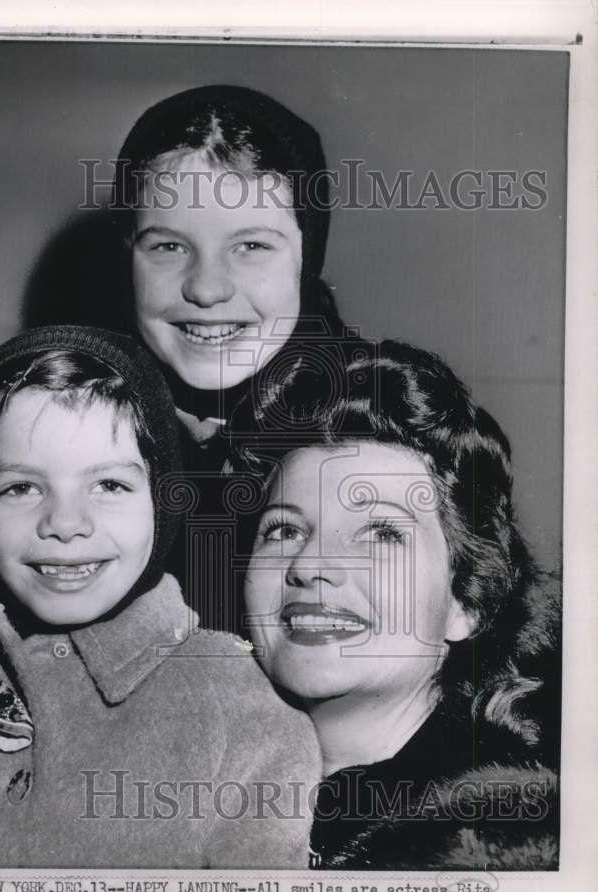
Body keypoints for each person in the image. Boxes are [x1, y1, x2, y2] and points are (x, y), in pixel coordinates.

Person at [0, 325, 321, 869]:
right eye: (20, 488)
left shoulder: (245, 716)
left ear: (163, 500)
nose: (65, 524)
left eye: (110, 486)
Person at [232, 339, 559, 869]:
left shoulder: (504, 837)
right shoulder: (194, 794)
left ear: (465, 602)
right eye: (285, 529)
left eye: (380, 533)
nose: (311, 564)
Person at [112, 84, 359, 629]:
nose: (205, 289)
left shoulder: (382, 428)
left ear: (307, 256)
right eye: (168, 246)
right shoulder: (86, 426)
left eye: (251, 246)